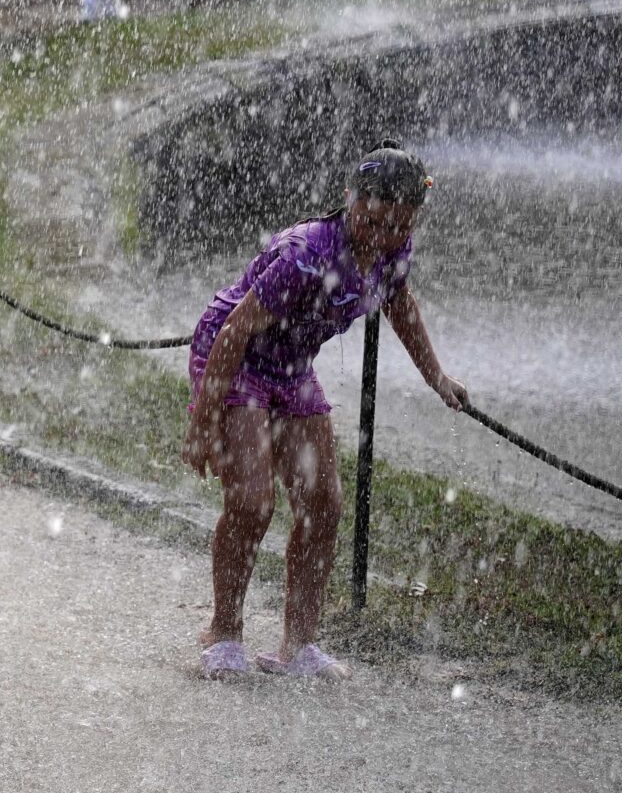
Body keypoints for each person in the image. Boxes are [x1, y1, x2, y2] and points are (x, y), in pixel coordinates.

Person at [182, 145, 467, 681]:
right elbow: (235, 330)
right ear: (350, 199)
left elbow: (400, 305)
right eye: (373, 221)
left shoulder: (392, 252)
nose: (383, 236)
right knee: (252, 502)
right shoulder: (307, 254)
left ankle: (298, 646)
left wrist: (438, 378)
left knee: (324, 504)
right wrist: (203, 421)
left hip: (291, 366)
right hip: (236, 358)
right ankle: (223, 633)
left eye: (399, 226)